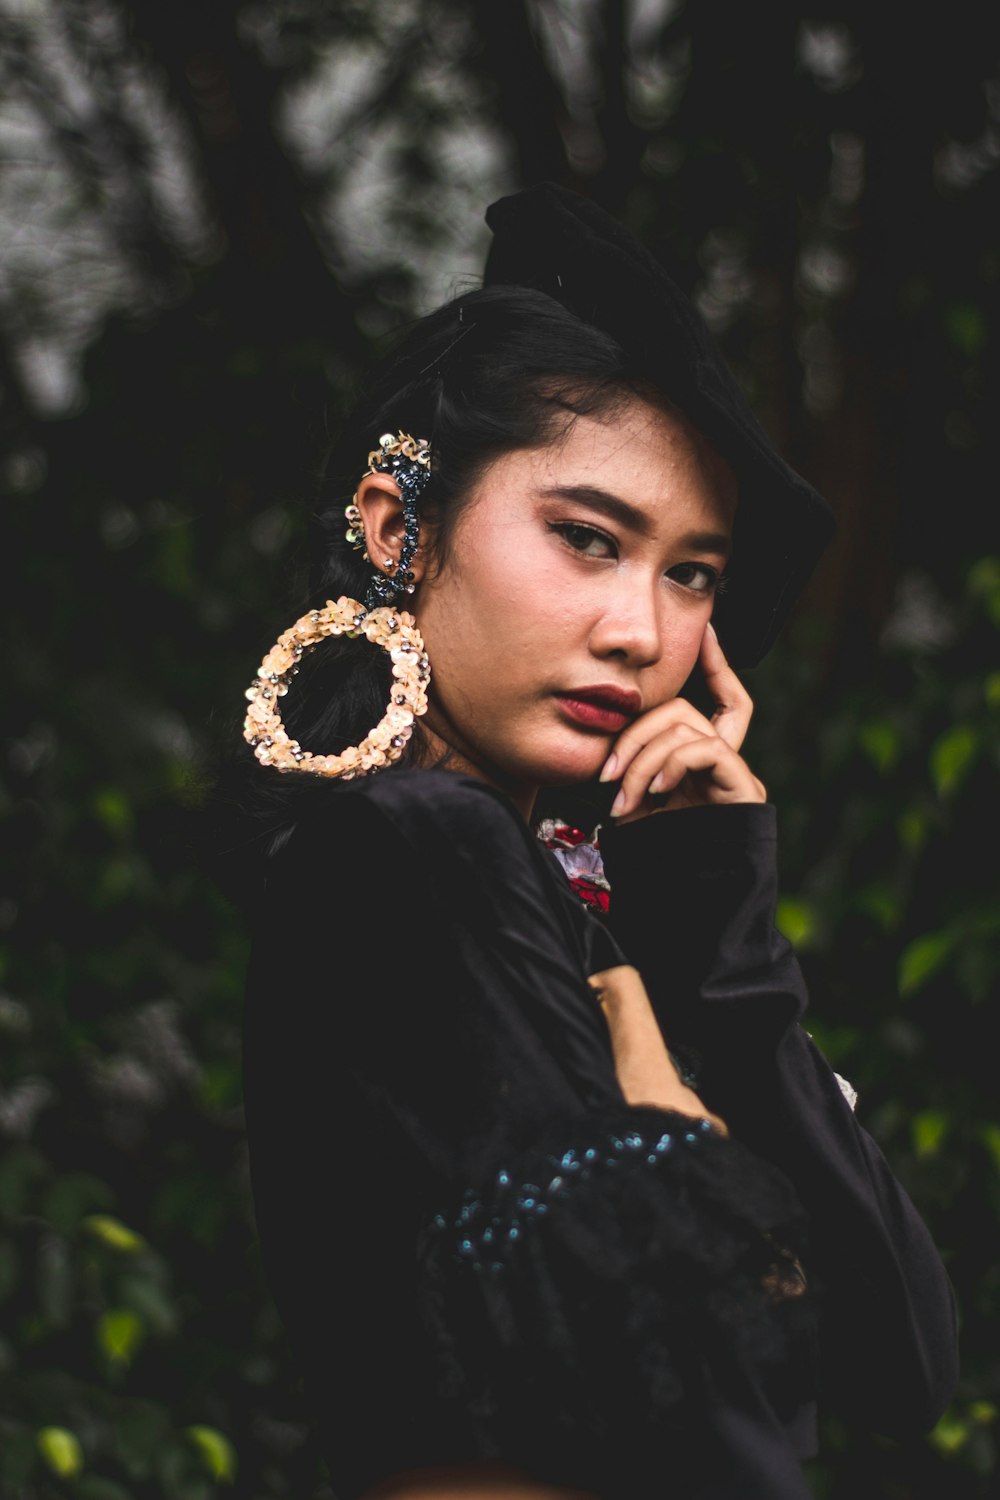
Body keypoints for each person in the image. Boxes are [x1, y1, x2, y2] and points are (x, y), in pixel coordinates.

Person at [232, 185, 958, 1500]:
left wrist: (720, 937)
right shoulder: (407, 855)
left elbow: (899, 1371)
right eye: (587, 539)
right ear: (399, 527)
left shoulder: (555, 900)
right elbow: (696, 1410)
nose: (642, 630)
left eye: (691, 573)